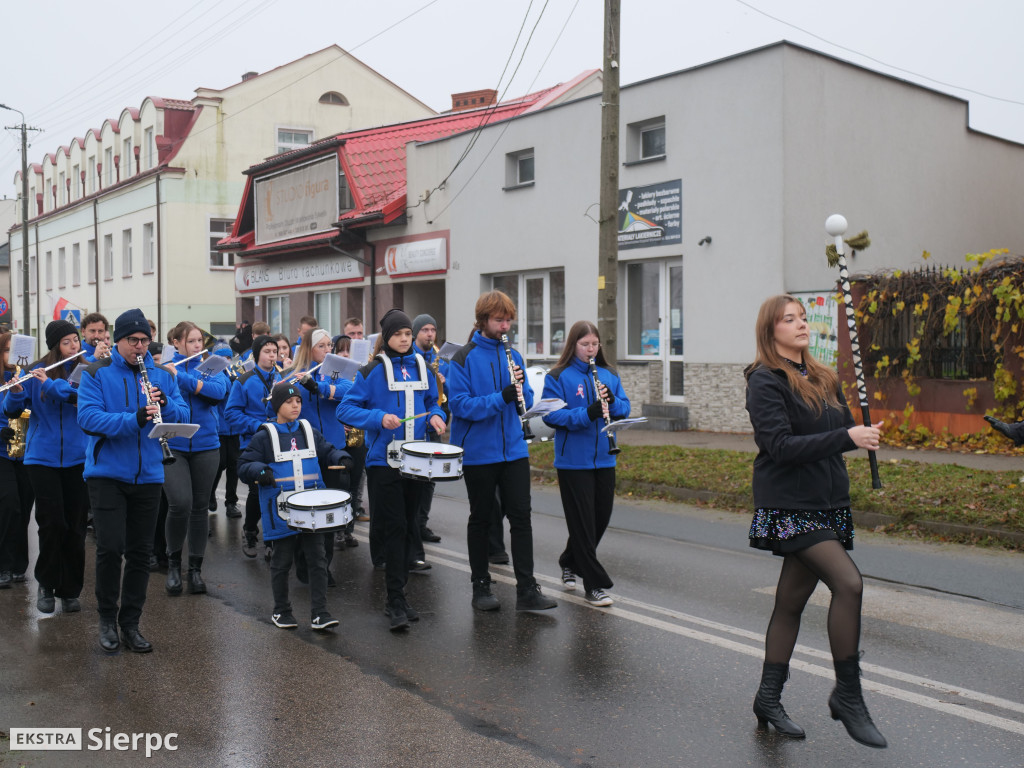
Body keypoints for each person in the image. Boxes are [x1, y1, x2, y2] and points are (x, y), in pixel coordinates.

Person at [745, 294, 886, 748]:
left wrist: (860, 433)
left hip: (827, 502)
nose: (802, 324)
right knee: (849, 584)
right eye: (790, 319)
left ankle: (767, 699)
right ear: (772, 331)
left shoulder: (823, 377)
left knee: (790, 603)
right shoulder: (765, 381)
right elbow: (780, 447)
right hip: (790, 506)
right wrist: (846, 435)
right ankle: (848, 694)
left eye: (803, 318)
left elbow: (836, 434)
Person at [78, 308, 186, 653]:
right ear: (118, 340)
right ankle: (107, 618)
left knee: (140, 554)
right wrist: (135, 418)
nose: (139, 347)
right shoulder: (96, 373)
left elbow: (183, 415)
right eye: (132, 340)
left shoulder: (162, 376)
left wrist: (165, 404)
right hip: (107, 474)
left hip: (150, 475)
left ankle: (131, 623)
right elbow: (89, 418)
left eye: (144, 340)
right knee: (110, 548)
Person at [447, 290, 557, 613]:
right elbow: (460, 405)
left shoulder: (515, 355)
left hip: (514, 449)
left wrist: (522, 391)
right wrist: (502, 396)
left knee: (521, 518)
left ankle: (527, 588)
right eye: (499, 320)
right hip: (480, 452)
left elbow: (528, 395)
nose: (505, 325)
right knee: (481, 519)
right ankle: (480, 585)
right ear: (483, 321)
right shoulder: (463, 358)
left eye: (508, 319)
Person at [338, 309, 446, 631]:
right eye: (398, 334)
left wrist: (437, 417)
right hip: (383, 462)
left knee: (410, 525)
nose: (404, 339)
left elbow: (433, 403)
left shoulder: (423, 367)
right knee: (396, 526)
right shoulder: (371, 371)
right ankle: (394, 600)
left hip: (417, 459)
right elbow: (347, 408)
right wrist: (378, 419)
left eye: (407, 335)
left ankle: (401, 596)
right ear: (387, 337)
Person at [238, 381, 351, 631]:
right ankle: (281, 611)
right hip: (281, 511)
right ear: (277, 405)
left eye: (298, 401)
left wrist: (340, 457)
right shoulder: (264, 435)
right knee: (282, 561)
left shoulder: (308, 430)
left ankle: (320, 613)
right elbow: (244, 465)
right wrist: (260, 470)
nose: (295, 405)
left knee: (318, 560)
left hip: (312, 509)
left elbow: (326, 449)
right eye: (289, 402)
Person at [541, 321, 630, 607]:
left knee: (598, 521)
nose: (590, 349)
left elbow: (625, 409)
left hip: (605, 457)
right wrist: (587, 413)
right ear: (573, 345)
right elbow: (552, 416)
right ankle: (594, 585)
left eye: (594, 344)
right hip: (573, 463)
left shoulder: (608, 374)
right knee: (583, 523)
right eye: (584, 345)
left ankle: (569, 560)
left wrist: (612, 402)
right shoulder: (558, 376)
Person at [3, 320, 89, 614]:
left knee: (76, 526)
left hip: (78, 458)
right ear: (55, 346)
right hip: (41, 459)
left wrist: (47, 383)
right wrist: (15, 391)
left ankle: (71, 589)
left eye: (75, 340)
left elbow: (76, 398)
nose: (74, 346)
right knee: (51, 524)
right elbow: (14, 412)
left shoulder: (86, 371)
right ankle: (47, 584)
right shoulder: (34, 371)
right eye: (67, 342)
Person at [162, 321, 228, 595]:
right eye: (191, 341)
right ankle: (174, 564)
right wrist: (174, 376)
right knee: (180, 504)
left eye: (200, 340)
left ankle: (196, 571)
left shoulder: (212, 365)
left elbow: (218, 392)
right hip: (175, 444)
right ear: (176, 343)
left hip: (206, 444)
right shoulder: (163, 368)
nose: (198, 346)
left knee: (200, 507)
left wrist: (184, 378)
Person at [225, 335, 282, 557]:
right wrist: (258, 425)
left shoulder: (281, 377)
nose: (272, 355)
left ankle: (272, 538)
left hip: (278, 441)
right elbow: (231, 414)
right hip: (253, 443)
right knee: (258, 487)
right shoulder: (244, 380)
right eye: (267, 351)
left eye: (274, 351)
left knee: (276, 489)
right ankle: (250, 531)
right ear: (256, 355)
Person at [0, 333, 35, 589]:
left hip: (23, 450)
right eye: (7, 351)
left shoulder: (25, 376)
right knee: (8, 505)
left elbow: (34, 407)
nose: (12, 356)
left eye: (16, 351)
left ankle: (17, 566)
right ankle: (2, 564)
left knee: (23, 508)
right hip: (1, 452)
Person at [411, 314, 447, 547]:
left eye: (432, 329)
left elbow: (442, 395)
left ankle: (421, 524)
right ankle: (412, 526)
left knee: (430, 478)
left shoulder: (437, 358)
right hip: (414, 425)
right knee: (415, 478)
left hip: (433, 422)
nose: (430, 334)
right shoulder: (409, 358)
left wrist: (443, 379)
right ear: (415, 333)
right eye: (424, 329)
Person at [210, 345, 243, 518]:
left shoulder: (233, 375)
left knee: (234, 465)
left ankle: (231, 502)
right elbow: (218, 395)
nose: (227, 361)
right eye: (223, 358)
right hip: (220, 427)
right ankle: (210, 494)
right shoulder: (213, 374)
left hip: (234, 428)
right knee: (219, 463)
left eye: (229, 358)